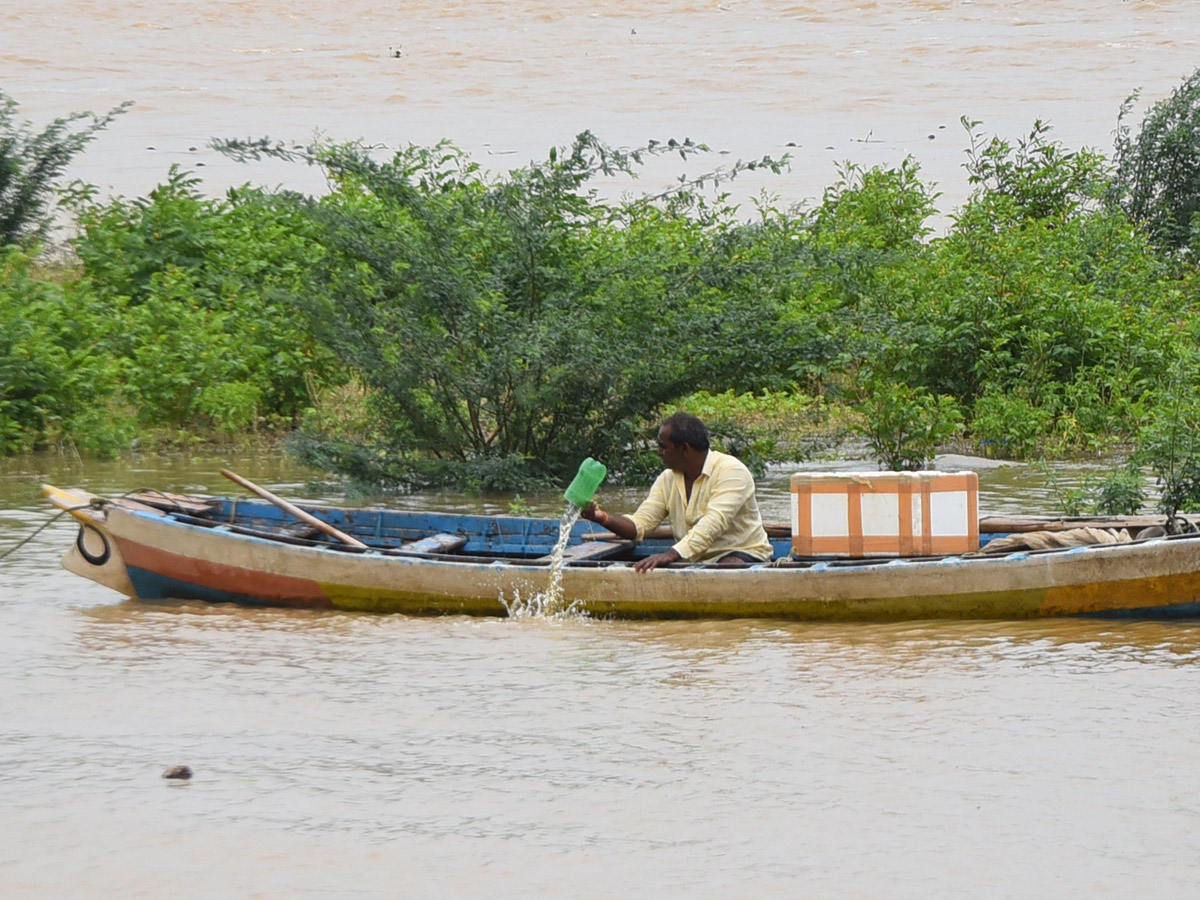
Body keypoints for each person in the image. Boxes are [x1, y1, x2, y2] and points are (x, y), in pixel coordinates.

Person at [581, 412, 773, 573]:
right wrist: (602, 517)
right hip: (692, 561)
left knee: (728, 568)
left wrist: (671, 554)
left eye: (663, 447)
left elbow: (713, 523)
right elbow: (641, 524)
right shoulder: (668, 479)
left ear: (684, 449)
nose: (659, 452)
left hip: (742, 554)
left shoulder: (731, 471)